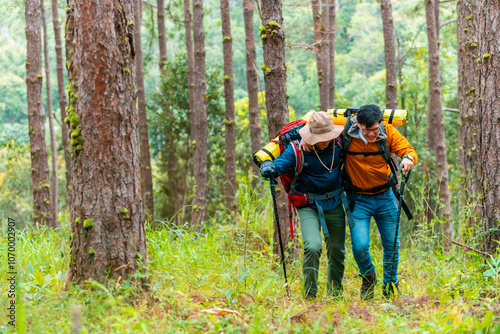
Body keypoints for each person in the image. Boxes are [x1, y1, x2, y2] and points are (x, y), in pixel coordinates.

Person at [302, 104, 417, 300]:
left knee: (391, 244)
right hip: (358, 200)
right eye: (367, 130)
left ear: (380, 123)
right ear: (358, 123)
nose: (372, 134)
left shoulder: (388, 131)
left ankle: (390, 285)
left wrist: (407, 160)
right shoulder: (346, 127)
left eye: (375, 129)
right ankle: (368, 276)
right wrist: (306, 140)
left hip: (386, 197)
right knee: (360, 245)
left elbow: (407, 150)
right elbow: (311, 121)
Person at [260, 111, 346, 300]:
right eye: (319, 137)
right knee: (313, 246)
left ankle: (335, 294)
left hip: (335, 201)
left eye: (327, 136)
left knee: (337, 250)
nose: (324, 140)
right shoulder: (297, 149)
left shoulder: (340, 142)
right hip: (308, 204)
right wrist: (268, 167)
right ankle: (310, 295)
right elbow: (280, 164)